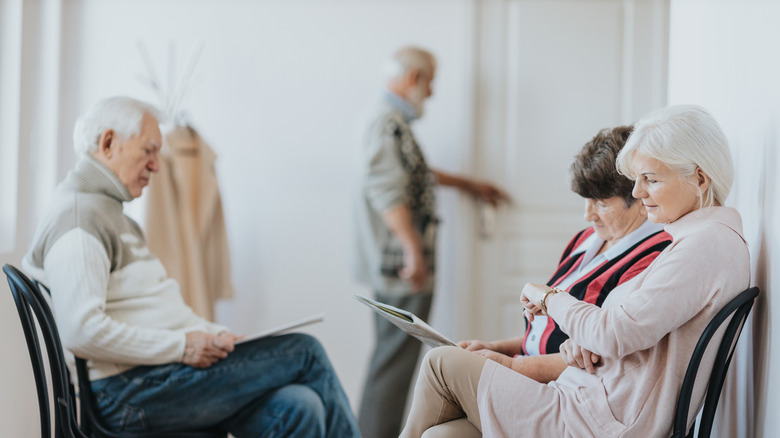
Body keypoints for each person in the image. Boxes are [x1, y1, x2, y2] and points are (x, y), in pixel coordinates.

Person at [400, 104, 750, 438]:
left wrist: (549, 297)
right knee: (439, 434)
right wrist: (580, 343)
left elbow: (615, 334)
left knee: (440, 363)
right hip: (587, 399)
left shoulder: (703, 248)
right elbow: (620, 334)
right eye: (637, 179)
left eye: (651, 180)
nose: (638, 191)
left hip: (600, 421)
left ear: (700, 179)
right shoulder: (695, 242)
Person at [23, 96, 360, 437]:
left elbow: (159, 312)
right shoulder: (79, 217)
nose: (157, 165)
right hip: (126, 394)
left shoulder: (113, 216)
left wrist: (216, 336)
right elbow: (82, 330)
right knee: (306, 352)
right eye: (149, 150)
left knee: (301, 405)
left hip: (154, 379)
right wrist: (184, 346)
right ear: (109, 143)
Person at [352, 46, 508, 438]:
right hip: (399, 263)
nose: (433, 92)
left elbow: (412, 172)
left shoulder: (391, 123)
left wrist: (468, 185)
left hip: (398, 260)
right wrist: (413, 250)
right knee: (394, 362)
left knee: (393, 359)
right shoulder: (387, 123)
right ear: (413, 78)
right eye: (431, 82)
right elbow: (387, 191)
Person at [458, 125, 672, 385]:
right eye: (587, 200)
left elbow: (604, 358)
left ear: (640, 199)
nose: (588, 214)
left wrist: (510, 365)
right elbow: (551, 335)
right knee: (443, 386)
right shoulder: (587, 239)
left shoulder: (652, 256)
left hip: (564, 389)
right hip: (529, 373)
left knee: (442, 371)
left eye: (601, 204)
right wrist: (495, 347)